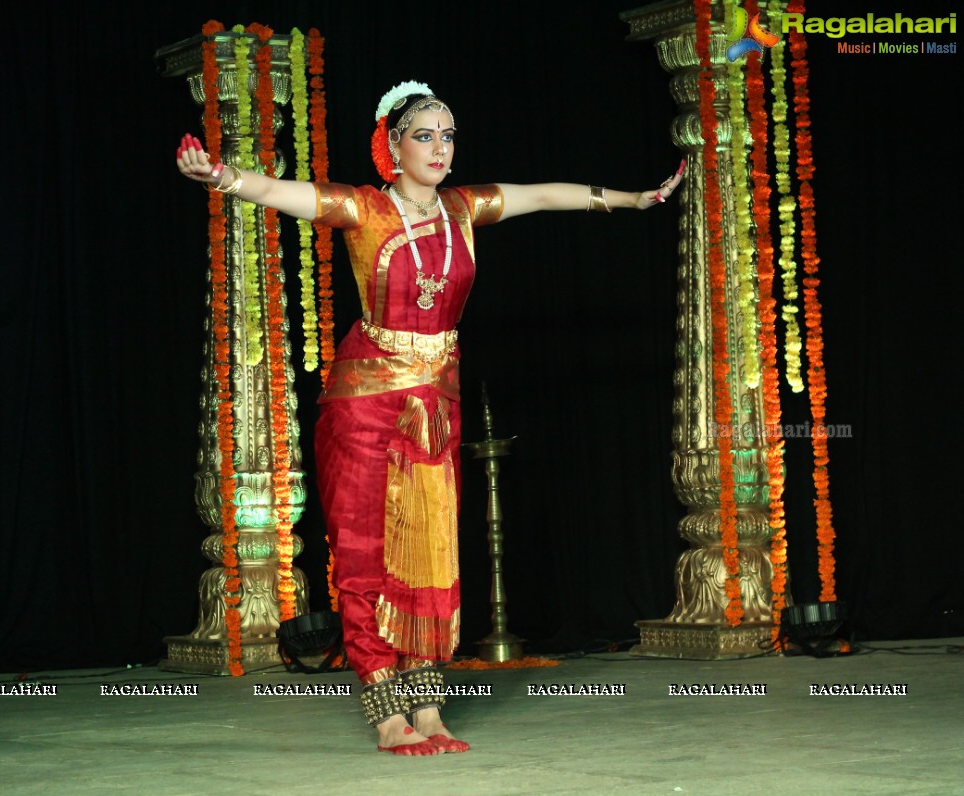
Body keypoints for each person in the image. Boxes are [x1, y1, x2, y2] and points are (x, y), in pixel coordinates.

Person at [176, 80, 685, 756]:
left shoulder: (462, 208)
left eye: (448, 135)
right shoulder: (361, 209)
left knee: (430, 551)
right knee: (364, 556)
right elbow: (279, 192)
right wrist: (223, 176)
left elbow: (540, 195)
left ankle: (429, 702)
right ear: (392, 146)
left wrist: (633, 199)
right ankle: (386, 705)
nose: (440, 147)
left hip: (435, 406)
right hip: (366, 403)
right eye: (425, 135)